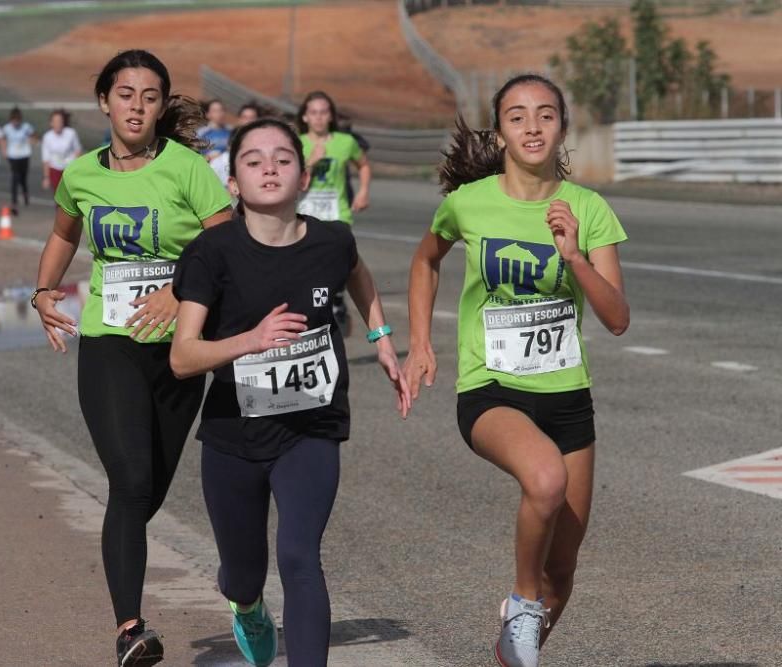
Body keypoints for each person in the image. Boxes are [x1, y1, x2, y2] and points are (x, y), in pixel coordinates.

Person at [404, 74, 630, 667]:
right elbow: (425, 261)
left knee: (564, 572)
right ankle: (521, 604)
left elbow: (616, 317)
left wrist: (575, 256)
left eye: (546, 115)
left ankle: (514, 650)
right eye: (517, 116)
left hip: (566, 397)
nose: (532, 127)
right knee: (546, 481)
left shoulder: (589, 208)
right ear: (499, 131)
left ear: (562, 127)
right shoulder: (468, 203)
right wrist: (421, 342)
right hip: (491, 389)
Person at [169, 118, 410, 667]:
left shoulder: (332, 240)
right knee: (243, 573)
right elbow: (183, 357)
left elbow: (359, 276)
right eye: (253, 160)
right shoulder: (212, 252)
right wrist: (249, 340)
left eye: (283, 158)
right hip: (233, 435)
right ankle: (247, 605)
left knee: (301, 556)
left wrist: (383, 337)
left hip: (311, 428)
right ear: (233, 182)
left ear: (304, 176)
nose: (270, 167)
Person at [31, 49, 232, 666]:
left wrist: (181, 289)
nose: (136, 106)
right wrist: (43, 290)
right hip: (110, 343)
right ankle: (130, 629)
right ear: (104, 101)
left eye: (149, 96)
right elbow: (65, 233)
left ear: (161, 104)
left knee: (146, 494)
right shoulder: (81, 174)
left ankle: (124, 574)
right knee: (131, 479)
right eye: (125, 94)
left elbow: (226, 241)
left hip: (179, 350)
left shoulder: (187, 169)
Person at [297, 92, 372, 337]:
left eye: (324, 112)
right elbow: (293, 180)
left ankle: (337, 299)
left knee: (340, 263)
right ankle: (317, 313)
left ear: (331, 116)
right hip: (305, 213)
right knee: (308, 269)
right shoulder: (296, 143)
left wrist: (363, 192)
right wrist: (311, 161)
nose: (319, 117)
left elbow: (363, 165)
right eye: (314, 112)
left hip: (337, 212)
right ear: (306, 117)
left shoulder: (344, 142)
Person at [209, 101, 262, 187]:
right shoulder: (219, 162)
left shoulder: (266, 142)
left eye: (252, 117)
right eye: (245, 117)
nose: (248, 121)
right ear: (239, 119)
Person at [2, 107, 36, 216]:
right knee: (14, 179)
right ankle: (14, 203)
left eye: (17, 120)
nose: (15, 123)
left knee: (23, 178)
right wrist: (4, 151)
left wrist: (32, 141)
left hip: (24, 155)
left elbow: (33, 136)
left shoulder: (26, 127)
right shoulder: (7, 128)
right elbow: (3, 139)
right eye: (14, 120)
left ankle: (25, 193)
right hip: (13, 156)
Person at [40, 109, 81, 196]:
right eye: (55, 121)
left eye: (59, 121)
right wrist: (46, 177)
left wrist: (76, 169)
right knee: (58, 196)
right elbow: (46, 159)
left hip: (69, 169)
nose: (58, 123)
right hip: (55, 169)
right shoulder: (47, 137)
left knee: (70, 195)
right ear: (51, 123)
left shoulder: (71, 133)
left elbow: (77, 151)